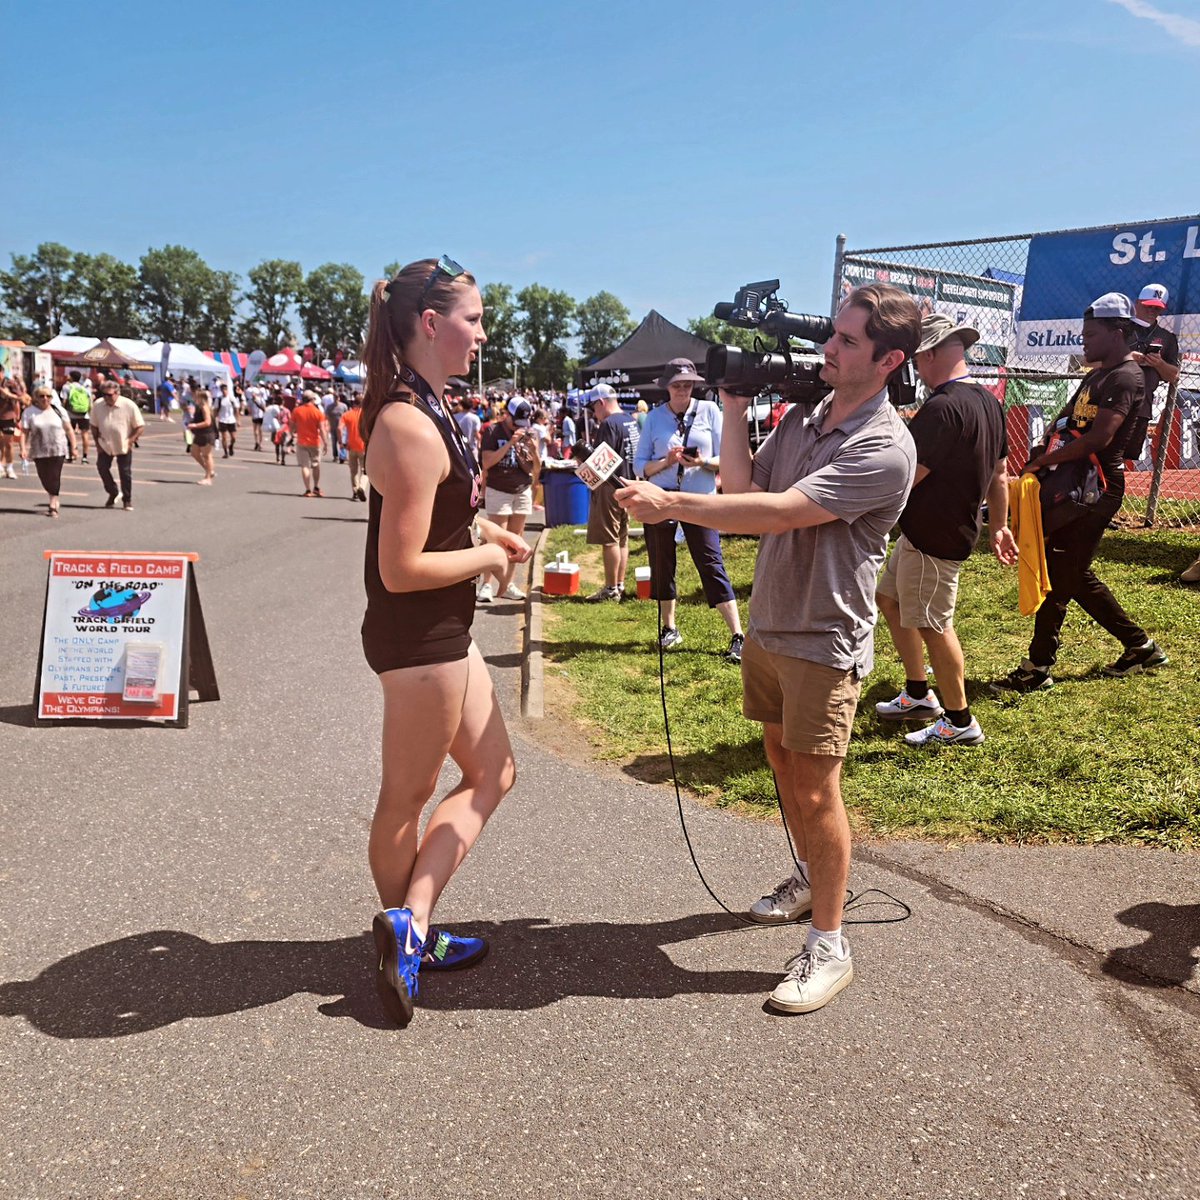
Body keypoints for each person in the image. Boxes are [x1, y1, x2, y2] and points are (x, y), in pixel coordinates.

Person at [617, 283, 920, 1014]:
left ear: (889, 361)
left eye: (848, 341)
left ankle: (830, 944)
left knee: (817, 791)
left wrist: (674, 504)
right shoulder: (809, 417)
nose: (829, 348)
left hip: (822, 637)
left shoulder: (885, 446)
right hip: (772, 625)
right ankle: (810, 877)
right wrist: (730, 404)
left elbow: (779, 513)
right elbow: (740, 482)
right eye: (834, 334)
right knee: (784, 769)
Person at [359, 255, 532, 1026]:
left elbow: (437, 519)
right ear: (431, 324)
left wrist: (485, 527)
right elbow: (401, 568)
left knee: (493, 771)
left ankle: (413, 922)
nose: (482, 333)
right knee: (406, 798)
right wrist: (492, 555)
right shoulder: (405, 420)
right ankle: (407, 934)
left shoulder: (428, 406)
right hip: (419, 635)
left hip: (445, 630)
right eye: (473, 318)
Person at [993, 293, 1167, 691]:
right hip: (1074, 487)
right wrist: (1042, 449)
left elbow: (1101, 438)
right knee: (1070, 572)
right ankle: (1138, 647)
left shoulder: (1126, 376)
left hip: (1096, 489)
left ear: (1117, 332)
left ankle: (1038, 668)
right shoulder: (1095, 375)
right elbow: (1065, 421)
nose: (1083, 341)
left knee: (1062, 574)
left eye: (1091, 334)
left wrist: (1039, 464)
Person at [874, 313, 1014, 747]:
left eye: (917, 358)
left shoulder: (941, 408)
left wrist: (864, 510)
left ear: (932, 353)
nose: (915, 367)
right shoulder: (988, 401)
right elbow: (1001, 472)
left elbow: (905, 476)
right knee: (890, 600)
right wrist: (1000, 526)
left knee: (935, 625)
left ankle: (959, 721)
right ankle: (919, 693)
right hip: (932, 532)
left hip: (935, 535)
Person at [632, 358, 744, 663]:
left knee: (710, 561)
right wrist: (667, 461)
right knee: (661, 562)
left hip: (700, 499)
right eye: (677, 384)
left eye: (688, 384)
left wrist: (703, 463)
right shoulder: (654, 418)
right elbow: (640, 466)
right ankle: (669, 627)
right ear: (666, 386)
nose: (683, 389)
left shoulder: (709, 411)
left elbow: (729, 457)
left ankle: (737, 634)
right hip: (661, 497)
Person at [478, 398, 539, 603]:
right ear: (507, 415)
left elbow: (535, 467)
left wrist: (534, 450)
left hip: (521, 489)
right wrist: (510, 444)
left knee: (516, 539)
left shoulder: (528, 432)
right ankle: (486, 584)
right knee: (494, 539)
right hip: (499, 488)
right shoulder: (492, 432)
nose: (519, 427)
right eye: (516, 422)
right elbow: (487, 462)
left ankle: (508, 583)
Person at [585, 384, 640, 601]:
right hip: (627, 483)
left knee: (610, 539)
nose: (594, 414)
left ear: (601, 402)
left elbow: (599, 462)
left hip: (610, 486)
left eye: (593, 408)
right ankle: (619, 584)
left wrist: (583, 464)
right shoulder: (630, 420)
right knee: (622, 537)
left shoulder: (608, 424)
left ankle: (610, 589)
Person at [1127, 283, 1180, 466]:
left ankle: (1111, 493)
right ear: (1137, 303)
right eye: (1148, 305)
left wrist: (1159, 364)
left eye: (1157, 308)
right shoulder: (1121, 328)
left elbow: (1173, 375)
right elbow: (1092, 360)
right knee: (1100, 451)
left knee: (1124, 456)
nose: (1152, 310)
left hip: (1141, 407)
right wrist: (1127, 357)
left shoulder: (1167, 337)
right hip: (1110, 401)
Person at [90, 378, 145, 510]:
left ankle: (127, 499)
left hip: (123, 443)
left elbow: (140, 426)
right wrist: (97, 444)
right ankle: (113, 492)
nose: (106, 398)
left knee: (124, 472)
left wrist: (131, 440)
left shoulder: (129, 405)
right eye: (104, 395)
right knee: (102, 468)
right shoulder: (98, 405)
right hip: (105, 443)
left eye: (109, 395)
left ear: (117, 393)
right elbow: (94, 426)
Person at [20, 386, 76, 516]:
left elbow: (69, 430)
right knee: (44, 476)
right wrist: (23, 448)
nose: (45, 399)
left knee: (55, 475)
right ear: (36, 398)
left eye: (48, 396)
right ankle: (52, 493)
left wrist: (74, 447)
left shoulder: (59, 411)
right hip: (39, 449)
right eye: (42, 396)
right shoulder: (29, 412)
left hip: (58, 448)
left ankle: (53, 503)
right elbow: (24, 432)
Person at [292, 389, 329, 496]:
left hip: (301, 441)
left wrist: (292, 434)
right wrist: (325, 443)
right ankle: (316, 487)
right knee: (316, 465)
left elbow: (292, 425)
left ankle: (308, 490)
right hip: (315, 442)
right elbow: (322, 429)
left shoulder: (297, 411)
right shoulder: (318, 413)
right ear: (312, 399)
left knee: (305, 466)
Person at [60, 370, 93, 462]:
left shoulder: (66, 387)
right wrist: (89, 413)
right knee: (85, 434)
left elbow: (64, 401)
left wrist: (62, 411)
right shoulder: (85, 388)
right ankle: (85, 457)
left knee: (70, 434)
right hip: (84, 414)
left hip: (71, 414)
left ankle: (71, 456)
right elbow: (90, 403)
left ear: (71, 377)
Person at [340, 393, 368, 500]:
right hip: (364, 447)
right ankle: (362, 486)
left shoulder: (347, 415)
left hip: (351, 447)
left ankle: (355, 491)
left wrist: (341, 442)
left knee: (353, 471)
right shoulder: (367, 415)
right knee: (365, 470)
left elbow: (339, 428)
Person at [187, 388, 217, 484]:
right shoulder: (199, 406)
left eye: (196, 395)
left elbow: (208, 422)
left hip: (206, 433)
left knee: (206, 455)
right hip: (200, 433)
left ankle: (208, 478)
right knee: (194, 452)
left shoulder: (204, 406)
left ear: (200, 397)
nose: (194, 397)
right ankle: (209, 470)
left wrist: (195, 425)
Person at [0, 372, 23, 478]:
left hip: (8, 416)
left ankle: (10, 467)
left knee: (8, 443)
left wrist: (8, 394)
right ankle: (1, 465)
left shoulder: (10, 383)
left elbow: (21, 398)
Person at [214, 381, 240, 457]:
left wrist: (238, 420)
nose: (224, 391)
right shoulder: (218, 399)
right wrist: (213, 419)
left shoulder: (232, 399)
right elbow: (215, 410)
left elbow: (236, 409)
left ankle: (231, 446)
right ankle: (226, 452)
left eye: (225, 390)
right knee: (224, 437)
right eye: (223, 390)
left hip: (231, 420)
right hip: (222, 420)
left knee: (233, 438)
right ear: (221, 391)